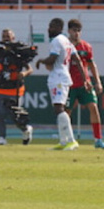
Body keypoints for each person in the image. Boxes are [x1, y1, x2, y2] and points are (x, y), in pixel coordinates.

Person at [36, 18, 90, 151]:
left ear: (58, 28)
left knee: (59, 108)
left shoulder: (57, 40)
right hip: (63, 76)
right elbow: (77, 60)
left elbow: (53, 58)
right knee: (59, 108)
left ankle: (71, 141)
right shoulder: (66, 41)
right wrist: (85, 79)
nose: (49, 29)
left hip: (59, 78)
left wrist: (41, 61)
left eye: (51, 26)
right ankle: (63, 141)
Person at [0, 29, 34, 146]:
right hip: (2, 88)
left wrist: (24, 74)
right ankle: (2, 137)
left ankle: (26, 129)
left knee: (16, 116)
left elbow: (30, 69)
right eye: (4, 36)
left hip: (15, 89)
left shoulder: (19, 53)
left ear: (13, 38)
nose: (6, 38)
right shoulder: (0, 52)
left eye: (8, 36)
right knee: (0, 114)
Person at [67, 19, 104, 149]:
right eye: (74, 30)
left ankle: (98, 139)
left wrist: (98, 81)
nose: (77, 33)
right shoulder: (65, 46)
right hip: (69, 84)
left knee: (94, 108)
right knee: (66, 112)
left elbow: (91, 65)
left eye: (79, 31)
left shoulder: (86, 47)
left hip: (85, 84)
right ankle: (67, 138)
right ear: (69, 31)